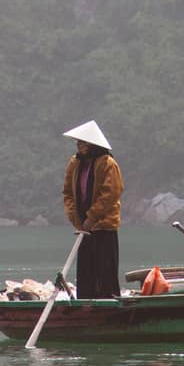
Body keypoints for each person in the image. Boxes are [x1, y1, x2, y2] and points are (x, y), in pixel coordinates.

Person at [62, 120, 123, 299]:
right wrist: (77, 219)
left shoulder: (107, 163)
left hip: (103, 226)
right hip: (83, 227)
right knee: (86, 273)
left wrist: (92, 218)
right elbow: (68, 193)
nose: (79, 145)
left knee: (105, 272)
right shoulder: (75, 164)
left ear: (93, 144)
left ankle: (108, 302)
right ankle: (86, 302)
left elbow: (110, 194)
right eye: (78, 142)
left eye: (83, 142)